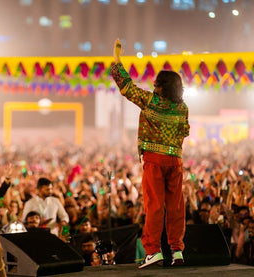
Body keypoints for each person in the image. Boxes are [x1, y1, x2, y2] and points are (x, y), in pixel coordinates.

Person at [111, 38, 190, 268]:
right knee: (176, 207)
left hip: (154, 161)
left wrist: (117, 61)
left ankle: (153, 251)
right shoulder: (183, 107)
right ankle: (177, 251)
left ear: (161, 87)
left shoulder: (151, 101)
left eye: (156, 85)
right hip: (176, 161)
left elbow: (127, 87)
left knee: (154, 206)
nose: (153, 87)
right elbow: (185, 130)